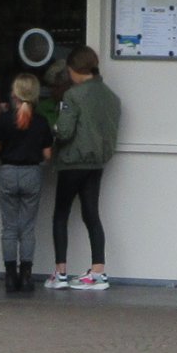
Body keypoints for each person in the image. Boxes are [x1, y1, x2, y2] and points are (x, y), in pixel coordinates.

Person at [49, 43, 122, 291]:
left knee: (61, 214)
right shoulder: (111, 97)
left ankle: (60, 273)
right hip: (97, 162)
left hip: (72, 162)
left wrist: (54, 130)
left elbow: (66, 131)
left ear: (75, 69)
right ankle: (98, 271)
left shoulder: (73, 95)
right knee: (91, 214)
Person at [0, 73, 57, 295]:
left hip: (8, 172)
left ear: (14, 93)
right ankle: (26, 276)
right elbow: (48, 154)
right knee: (27, 228)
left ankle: (10, 276)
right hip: (32, 173)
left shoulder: (4, 119)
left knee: (9, 227)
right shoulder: (40, 121)